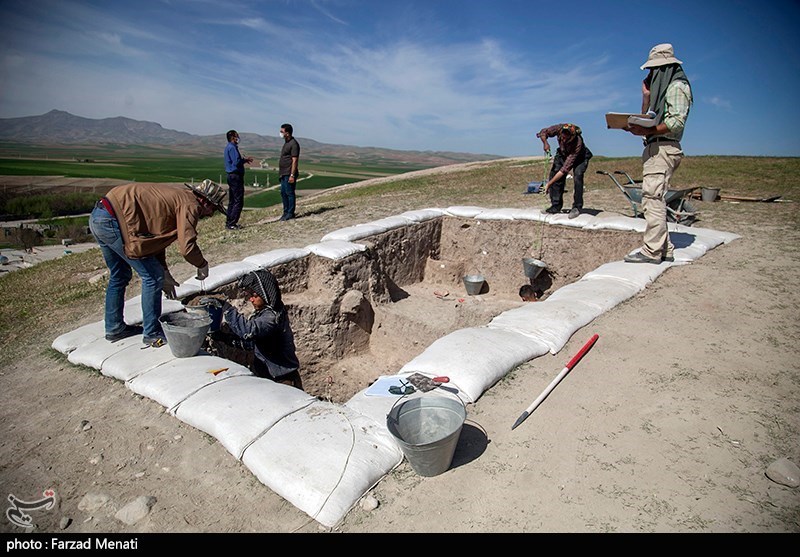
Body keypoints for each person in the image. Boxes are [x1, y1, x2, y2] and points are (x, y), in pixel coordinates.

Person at [89, 180, 226, 347]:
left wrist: (165, 271)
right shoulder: (191, 204)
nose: (211, 214)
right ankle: (152, 333)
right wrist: (202, 264)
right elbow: (187, 247)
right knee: (153, 278)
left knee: (120, 275)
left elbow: (154, 239)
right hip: (113, 221)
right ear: (205, 201)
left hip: (100, 216)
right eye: (213, 209)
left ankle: (114, 328)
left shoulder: (176, 199)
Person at [624, 43, 693, 264]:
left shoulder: (676, 86)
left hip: (664, 147)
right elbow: (648, 118)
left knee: (652, 198)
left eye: (654, 70)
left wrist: (648, 131)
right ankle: (665, 248)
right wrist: (646, 99)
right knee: (654, 199)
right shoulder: (661, 93)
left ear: (664, 68)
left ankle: (652, 251)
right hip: (656, 147)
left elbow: (676, 122)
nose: (651, 75)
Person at [217, 269, 303, 389]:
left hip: (283, 382)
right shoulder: (264, 313)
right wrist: (224, 338)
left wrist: (226, 308)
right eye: (250, 296)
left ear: (265, 294)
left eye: (255, 296)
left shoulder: (272, 317)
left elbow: (248, 331)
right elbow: (252, 344)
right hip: (269, 378)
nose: (251, 300)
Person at [536, 123, 593, 218]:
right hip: (563, 153)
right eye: (562, 137)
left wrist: (549, 184)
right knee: (555, 172)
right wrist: (545, 143)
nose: (563, 139)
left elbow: (564, 170)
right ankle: (556, 205)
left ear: (572, 136)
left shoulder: (577, 144)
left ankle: (577, 207)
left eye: (566, 138)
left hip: (580, 157)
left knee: (578, 176)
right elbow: (543, 132)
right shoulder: (559, 128)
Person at [223, 129, 253, 230]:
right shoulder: (232, 148)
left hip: (231, 176)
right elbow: (236, 162)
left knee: (232, 200)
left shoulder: (228, 147)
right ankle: (232, 223)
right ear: (233, 137)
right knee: (238, 200)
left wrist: (244, 160)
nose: (238, 138)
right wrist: (243, 161)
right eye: (237, 136)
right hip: (235, 176)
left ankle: (229, 222)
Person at [278, 123, 300, 221]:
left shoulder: (293, 144)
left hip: (289, 173)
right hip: (283, 173)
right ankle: (285, 212)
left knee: (289, 193)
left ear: (287, 133)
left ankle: (290, 213)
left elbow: (295, 160)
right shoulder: (286, 143)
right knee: (283, 193)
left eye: (282, 131)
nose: (280, 133)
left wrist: (292, 175)